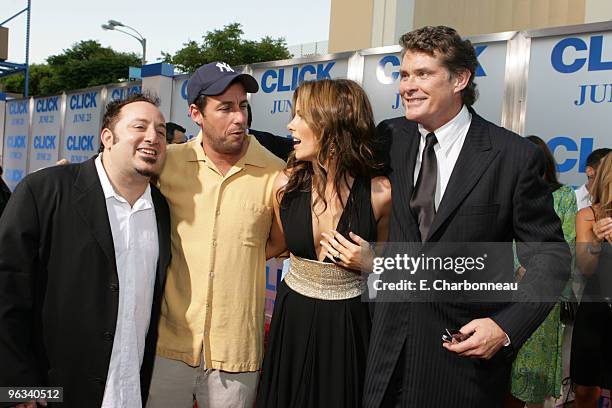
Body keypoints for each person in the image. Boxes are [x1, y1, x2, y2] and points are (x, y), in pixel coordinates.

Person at [363, 25, 570, 407]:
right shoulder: (391, 137)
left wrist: (505, 327)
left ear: (460, 79)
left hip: (461, 363)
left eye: (423, 74)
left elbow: (550, 258)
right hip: (385, 357)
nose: (406, 86)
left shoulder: (513, 156)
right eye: (404, 74)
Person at [0, 93, 171, 408]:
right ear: (108, 137)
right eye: (140, 126)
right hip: (52, 394)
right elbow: (6, 291)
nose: (153, 137)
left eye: (161, 131)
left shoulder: (162, 210)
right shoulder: (44, 192)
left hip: (130, 393)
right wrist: (18, 389)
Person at [146, 61, 285, 408]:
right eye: (225, 108)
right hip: (169, 346)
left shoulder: (275, 172)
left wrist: (237, 253)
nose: (238, 118)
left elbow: (279, 241)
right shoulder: (168, 164)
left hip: (236, 352)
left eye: (242, 106)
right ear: (196, 113)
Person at [256, 79, 392, 407]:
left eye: (301, 116)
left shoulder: (380, 194)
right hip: (292, 319)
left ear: (332, 123)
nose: (290, 125)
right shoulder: (284, 185)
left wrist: (373, 262)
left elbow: (393, 271)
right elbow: (271, 247)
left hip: (349, 325)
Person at [505, 135, 577, 408]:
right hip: (503, 293)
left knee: (531, 383)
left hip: (541, 298)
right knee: (502, 377)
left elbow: (565, 244)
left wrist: (532, 273)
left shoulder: (564, 197)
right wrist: (513, 270)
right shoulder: (505, 192)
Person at [571, 152, 612, 408]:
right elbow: (585, 268)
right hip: (595, 310)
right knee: (585, 389)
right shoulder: (588, 215)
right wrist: (595, 241)